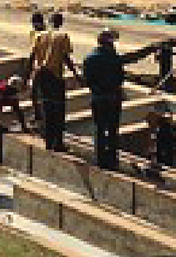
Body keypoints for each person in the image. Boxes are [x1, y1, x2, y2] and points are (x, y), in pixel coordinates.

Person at [81, 28, 158, 170]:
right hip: (113, 98)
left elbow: (87, 80)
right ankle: (111, 161)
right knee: (112, 131)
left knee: (99, 130)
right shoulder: (114, 58)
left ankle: (100, 160)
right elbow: (132, 58)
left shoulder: (89, 59)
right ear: (109, 43)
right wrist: (151, 48)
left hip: (97, 98)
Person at [30, 12, 81, 151]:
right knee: (58, 110)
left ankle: (48, 142)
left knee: (47, 109)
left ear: (49, 21)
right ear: (61, 22)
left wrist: (28, 76)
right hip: (55, 77)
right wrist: (76, 74)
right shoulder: (63, 36)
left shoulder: (39, 35)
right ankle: (57, 143)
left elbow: (32, 57)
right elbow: (65, 58)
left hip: (41, 75)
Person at [27, 11, 47, 129]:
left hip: (43, 67)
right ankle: (38, 114)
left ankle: (41, 115)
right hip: (37, 66)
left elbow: (33, 54)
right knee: (34, 93)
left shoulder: (45, 34)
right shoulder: (33, 33)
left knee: (38, 93)